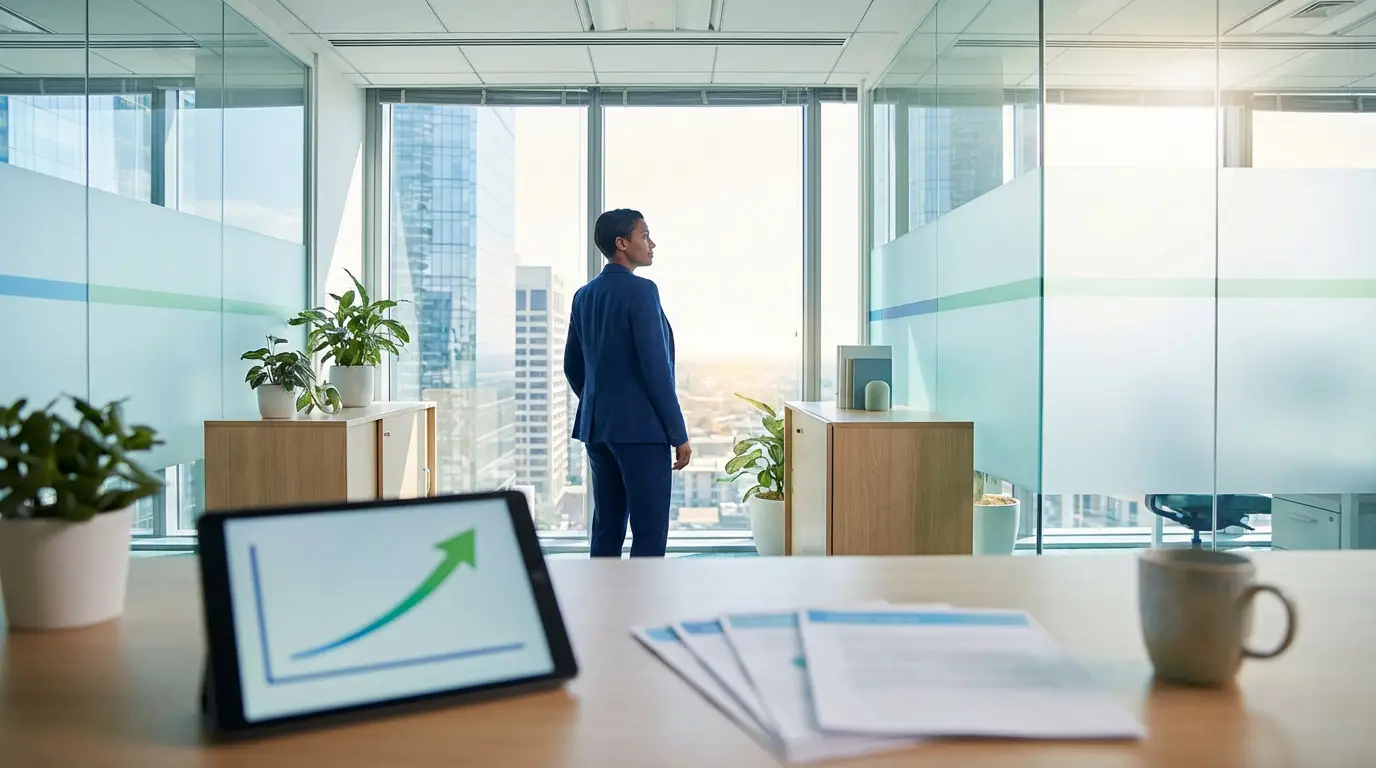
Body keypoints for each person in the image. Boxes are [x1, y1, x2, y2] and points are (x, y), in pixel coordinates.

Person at [564, 209, 691, 558]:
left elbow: (572, 366)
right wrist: (677, 434)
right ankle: (644, 611)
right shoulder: (642, 292)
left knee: (606, 526)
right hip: (641, 432)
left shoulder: (583, 295)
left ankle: (601, 606)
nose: (652, 244)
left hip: (598, 430)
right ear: (622, 244)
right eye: (644, 235)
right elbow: (656, 370)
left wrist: (600, 402)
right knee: (649, 531)